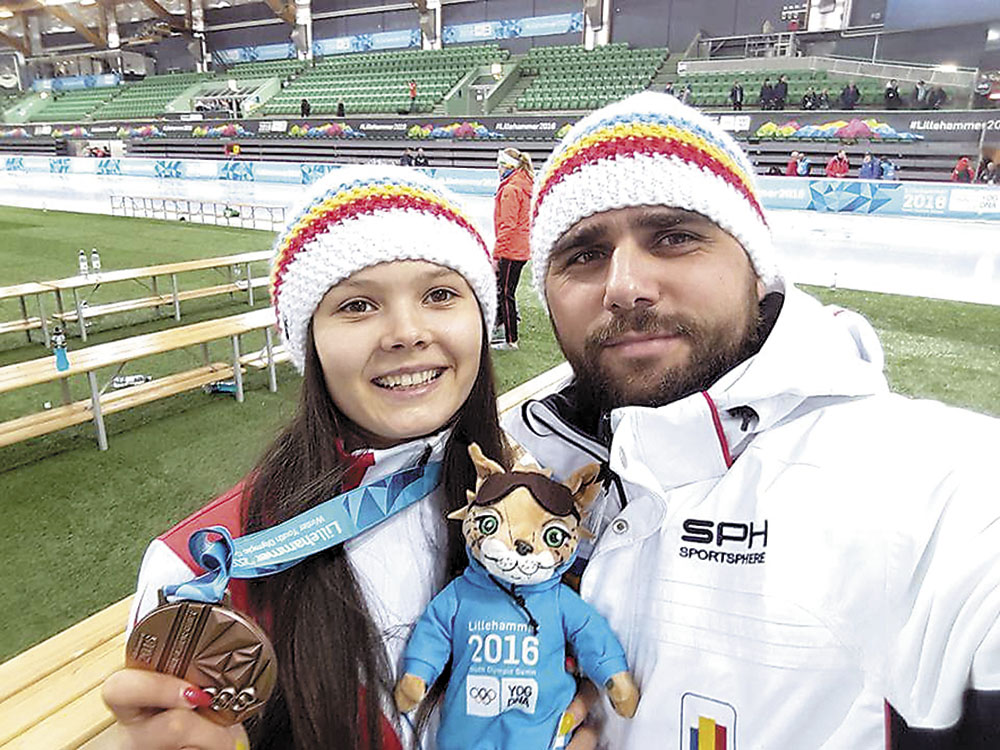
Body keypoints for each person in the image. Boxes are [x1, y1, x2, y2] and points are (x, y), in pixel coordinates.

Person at [505, 91, 1000, 749]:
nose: (623, 286)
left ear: (757, 271)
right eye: (584, 255)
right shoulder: (514, 468)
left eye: (674, 237)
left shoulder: (937, 491)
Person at [100, 167, 526, 750]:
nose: (406, 332)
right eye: (357, 304)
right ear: (310, 342)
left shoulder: (538, 498)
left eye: (440, 295)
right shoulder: (202, 568)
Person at [492, 148, 533, 351]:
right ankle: (501, 325)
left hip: (511, 249)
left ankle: (511, 339)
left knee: (505, 292)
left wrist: (496, 254)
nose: (497, 170)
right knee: (504, 289)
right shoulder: (524, 185)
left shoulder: (511, 189)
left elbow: (507, 225)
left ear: (506, 166)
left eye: (499, 166)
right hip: (521, 247)